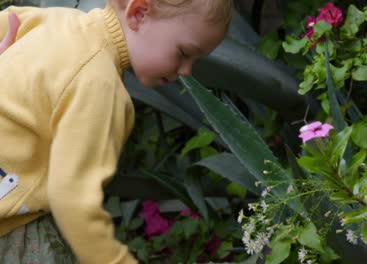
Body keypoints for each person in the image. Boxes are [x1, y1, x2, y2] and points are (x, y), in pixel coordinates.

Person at [0, 0, 232, 263]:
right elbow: (72, 198)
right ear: (138, 13)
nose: (186, 70)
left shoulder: (58, 20)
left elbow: (6, 21)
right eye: (183, 53)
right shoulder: (100, 86)